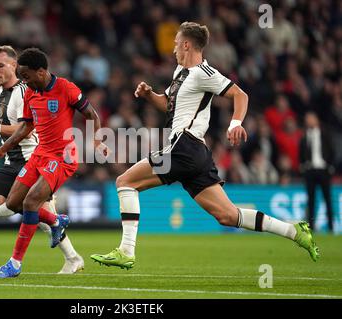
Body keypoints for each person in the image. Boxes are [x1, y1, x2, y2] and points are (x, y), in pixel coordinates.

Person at [91, 22, 319, 269]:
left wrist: (234, 124)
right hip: (194, 154)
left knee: (125, 182)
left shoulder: (204, 72)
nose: (174, 48)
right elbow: (167, 104)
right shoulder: (179, 72)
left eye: (177, 43)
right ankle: (294, 231)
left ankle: (126, 251)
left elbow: (240, 95)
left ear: (187, 44)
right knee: (228, 215)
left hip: (184, 146)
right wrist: (149, 95)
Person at [0, 48, 109, 278]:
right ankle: (56, 220)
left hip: (63, 157)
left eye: (26, 76)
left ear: (41, 72)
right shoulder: (31, 93)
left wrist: (97, 140)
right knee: (13, 204)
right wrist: (2, 149)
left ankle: (14, 264)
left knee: (32, 202)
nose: (24, 81)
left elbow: (92, 114)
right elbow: (25, 127)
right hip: (40, 154)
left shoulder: (66, 88)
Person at [0, 46, 84, 274]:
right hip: (12, 161)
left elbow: (28, 130)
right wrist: (2, 149)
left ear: (14, 66)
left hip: (34, 157)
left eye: (0, 65)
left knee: (35, 212)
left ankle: (71, 257)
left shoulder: (25, 91)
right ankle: (56, 223)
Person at [299, 111, 335, 233]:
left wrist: (330, 166)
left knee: (327, 199)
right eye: (307, 119)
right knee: (311, 200)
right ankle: (311, 227)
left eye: (311, 118)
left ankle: (331, 227)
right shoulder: (304, 136)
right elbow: (301, 153)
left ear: (317, 120)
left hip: (324, 170)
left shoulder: (325, 134)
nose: (308, 121)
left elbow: (332, 151)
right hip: (310, 171)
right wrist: (304, 166)